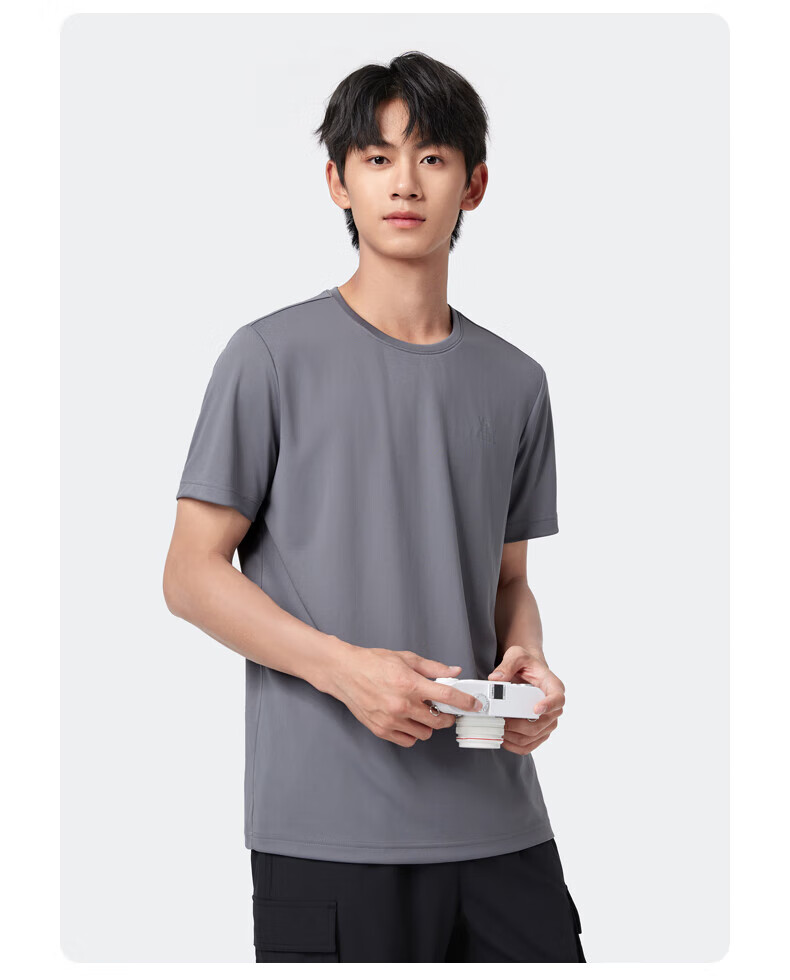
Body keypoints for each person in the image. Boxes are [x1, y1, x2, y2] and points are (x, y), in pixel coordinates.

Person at [163, 50, 585, 963]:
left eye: (432, 157)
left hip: (500, 821)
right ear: (337, 183)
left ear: (474, 186)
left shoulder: (517, 381)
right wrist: (344, 671)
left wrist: (530, 662)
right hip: (328, 829)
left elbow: (507, 580)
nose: (405, 182)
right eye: (377, 157)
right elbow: (190, 575)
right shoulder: (268, 357)